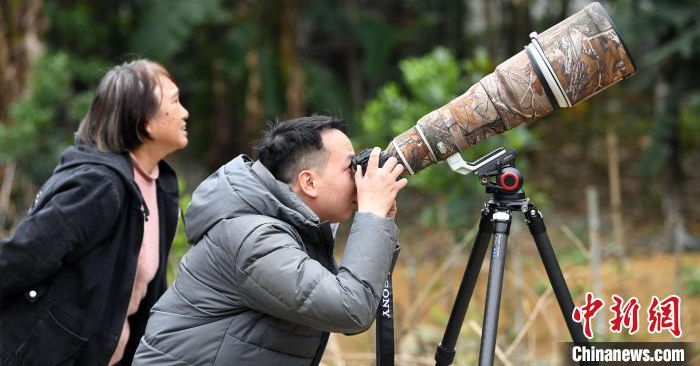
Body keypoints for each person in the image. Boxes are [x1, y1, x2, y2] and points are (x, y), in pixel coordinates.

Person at [133, 116, 407, 365]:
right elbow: (350, 310)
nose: (359, 177)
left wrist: (378, 224)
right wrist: (372, 217)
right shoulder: (253, 239)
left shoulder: (294, 229)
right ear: (309, 182)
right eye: (351, 167)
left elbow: (351, 307)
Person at [0, 59, 189, 365]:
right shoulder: (99, 186)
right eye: (175, 102)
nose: (185, 112)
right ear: (144, 122)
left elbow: (147, 298)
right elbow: (23, 257)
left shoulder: (161, 187)